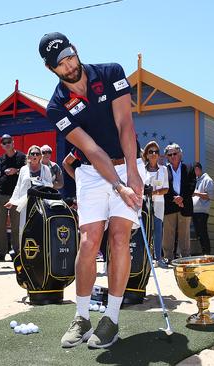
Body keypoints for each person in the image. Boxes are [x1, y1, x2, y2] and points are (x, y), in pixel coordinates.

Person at [40, 32, 143, 348]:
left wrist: (133, 174)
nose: (69, 64)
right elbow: (91, 148)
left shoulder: (111, 72)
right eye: (60, 63)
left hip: (125, 161)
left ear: (76, 50)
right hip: (91, 172)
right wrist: (117, 185)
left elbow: (125, 123)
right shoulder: (57, 107)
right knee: (89, 241)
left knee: (120, 237)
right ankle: (82, 317)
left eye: (70, 55)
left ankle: (111, 318)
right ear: (51, 68)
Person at [5, 145, 54, 244]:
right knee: (24, 226)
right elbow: (18, 187)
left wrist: (40, 181)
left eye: (37, 154)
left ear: (40, 156)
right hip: (26, 202)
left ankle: (41, 252)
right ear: (29, 156)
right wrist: (12, 201)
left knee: (40, 225)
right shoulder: (23, 169)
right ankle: (23, 253)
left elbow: (50, 185)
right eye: (32, 154)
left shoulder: (46, 169)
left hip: (41, 202)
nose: (35, 155)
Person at [0, 134, 26, 261]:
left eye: (9, 141)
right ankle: (1, 253)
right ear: (1, 145)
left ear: (13, 142)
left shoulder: (22, 157)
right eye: (4, 142)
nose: (7, 144)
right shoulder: (0, 159)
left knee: (16, 225)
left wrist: (15, 171)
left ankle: (17, 253)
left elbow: (27, 171)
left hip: (16, 196)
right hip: (1, 194)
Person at [162, 143, 196, 263]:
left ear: (180, 153)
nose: (173, 156)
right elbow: (164, 187)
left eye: (175, 153)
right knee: (168, 233)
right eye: (170, 154)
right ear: (166, 156)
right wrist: (174, 198)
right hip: (169, 206)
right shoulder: (164, 170)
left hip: (185, 205)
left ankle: (185, 258)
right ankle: (168, 257)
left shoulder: (189, 167)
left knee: (184, 234)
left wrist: (182, 198)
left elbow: (192, 185)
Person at [142, 141, 169, 266]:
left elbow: (166, 189)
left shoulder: (163, 169)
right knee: (146, 230)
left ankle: (158, 257)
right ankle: (146, 258)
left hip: (158, 204)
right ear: (146, 154)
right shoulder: (141, 169)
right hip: (144, 204)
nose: (153, 154)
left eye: (156, 152)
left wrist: (153, 192)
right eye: (150, 152)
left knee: (158, 230)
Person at [192, 162, 214, 255]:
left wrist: (196, 193)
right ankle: (203, 252)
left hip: (202, 211)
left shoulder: (208, 180)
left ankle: (207, 253)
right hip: (194, 211)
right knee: (199, 233)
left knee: (203, 232)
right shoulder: (196, 180)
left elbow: (210, 195)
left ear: (198, 169)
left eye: (194, 171)